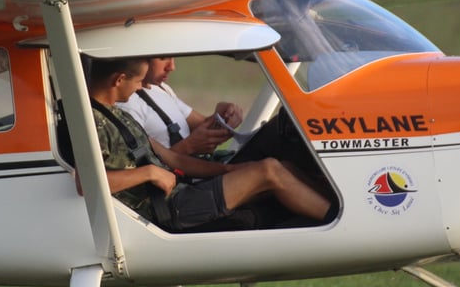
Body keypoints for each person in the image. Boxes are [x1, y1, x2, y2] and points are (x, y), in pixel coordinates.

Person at [83, 57, 335, 233]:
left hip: (181, 192)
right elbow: (85, 182)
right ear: (119, 79)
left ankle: (338, 205)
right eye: (138, 82)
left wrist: (229, 171)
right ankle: (338, 221)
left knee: (283, 166)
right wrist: (149, 172)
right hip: (167, 209)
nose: (141, 87)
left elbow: (175, 161)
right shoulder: (91, 121)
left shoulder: (120, 116)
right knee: (269, 170)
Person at [117, 57, 243, 157]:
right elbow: (138, 164)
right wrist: (188, 147)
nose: (172, 67)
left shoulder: (161, 88)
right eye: (163, 58)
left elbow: (203, 125)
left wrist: (221, 116)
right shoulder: (126, 102)